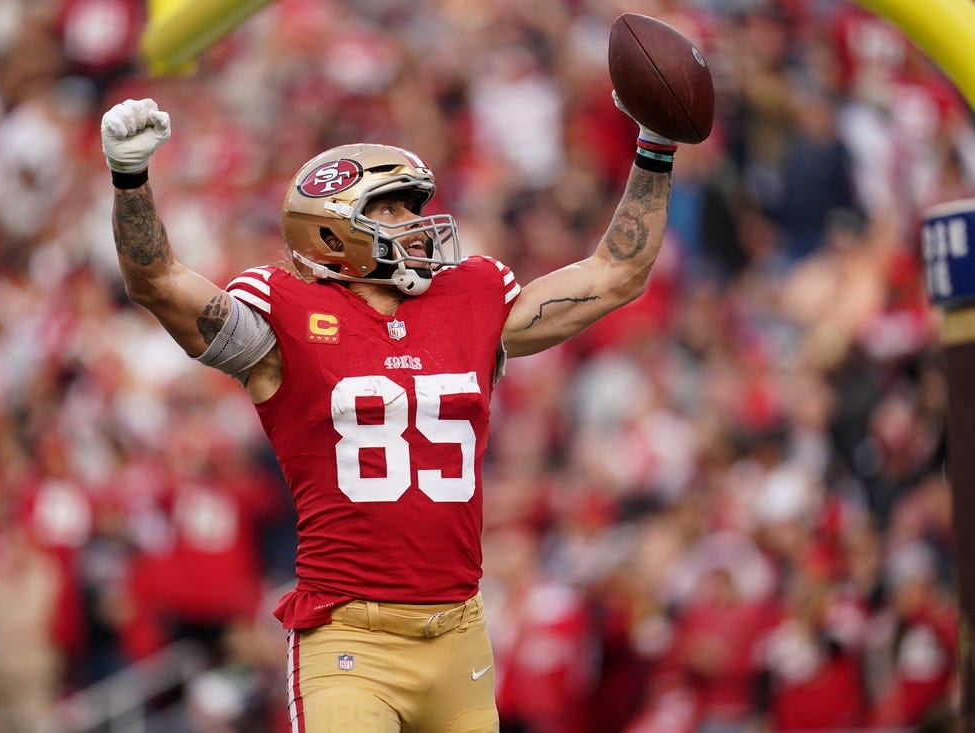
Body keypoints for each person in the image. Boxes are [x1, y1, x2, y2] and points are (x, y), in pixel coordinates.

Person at [99, 88, 689, 732]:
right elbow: (157, 282)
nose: (415, 222)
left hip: (460, 636)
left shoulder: (471, 297)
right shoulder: (284, 317)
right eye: (391, 208)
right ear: (331, 231)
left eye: (415, 206)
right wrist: (131, 180)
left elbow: (617, 272)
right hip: (352, 642)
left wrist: (654, 148)